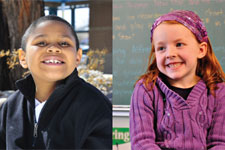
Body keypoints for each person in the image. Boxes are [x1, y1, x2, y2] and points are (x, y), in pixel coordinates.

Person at [0, 15, 112, 149]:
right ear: (23, 58)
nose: (53, 48)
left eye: (64, 43)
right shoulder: (11, 107)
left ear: (78, 57)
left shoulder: (96, 107)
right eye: (41, 43)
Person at [130, 10, 225, 150]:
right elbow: (142, 143)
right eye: (161, 48)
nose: (170, 54)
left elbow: (220, 143)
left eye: (179, 44)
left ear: (201, 50)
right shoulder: (146, 89)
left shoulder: (218, 91)